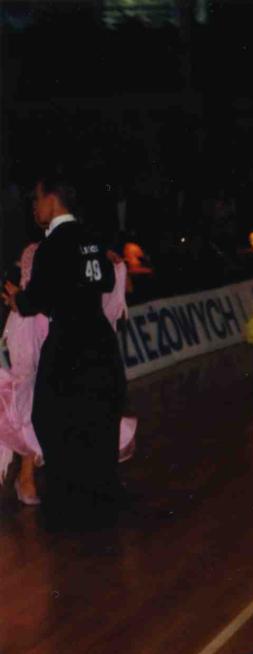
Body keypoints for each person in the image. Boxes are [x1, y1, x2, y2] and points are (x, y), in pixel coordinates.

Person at [2, 174, 128, 530]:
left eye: (37, 199)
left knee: (50, 418)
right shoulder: (92, 237)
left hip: (68, 343)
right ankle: (102, 497)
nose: (34, 207)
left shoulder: (52, 246)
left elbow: (36, 300)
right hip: (100, 342)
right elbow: (105, 280)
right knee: (98, 416)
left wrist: (17, 299)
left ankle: (69, 505)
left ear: (52, 200)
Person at [1, 241, 138, 505]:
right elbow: (32, 295)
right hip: (36, 329)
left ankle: (90, 477)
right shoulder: (36, 252)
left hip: (68, 341)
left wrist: (113, 264)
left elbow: (114, 287)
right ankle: (26, 477)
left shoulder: (79, 248)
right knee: (30, 396)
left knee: (82, 408)